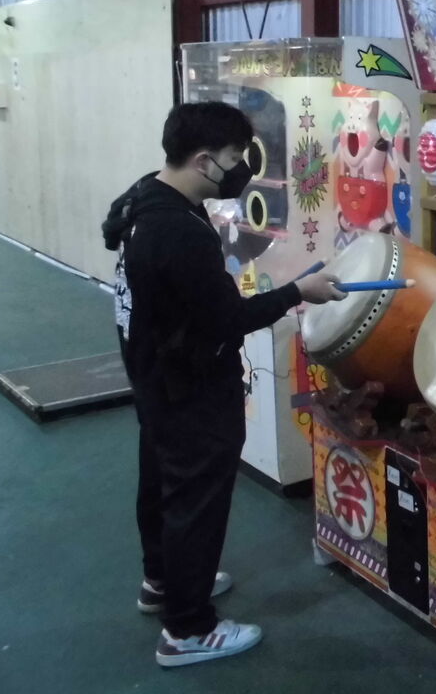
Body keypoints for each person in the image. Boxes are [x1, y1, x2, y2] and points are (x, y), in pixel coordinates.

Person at [102, 102, 345, 668]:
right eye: (236, 158)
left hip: (153, 376)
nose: (242, 170)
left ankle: (163, 582)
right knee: (195, 501)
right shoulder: (177, 231)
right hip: (189, 386)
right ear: (204, 160)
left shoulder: (145, 196)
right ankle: (187, 630)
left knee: (162, 484)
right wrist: (298, 293)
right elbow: (226, 319)